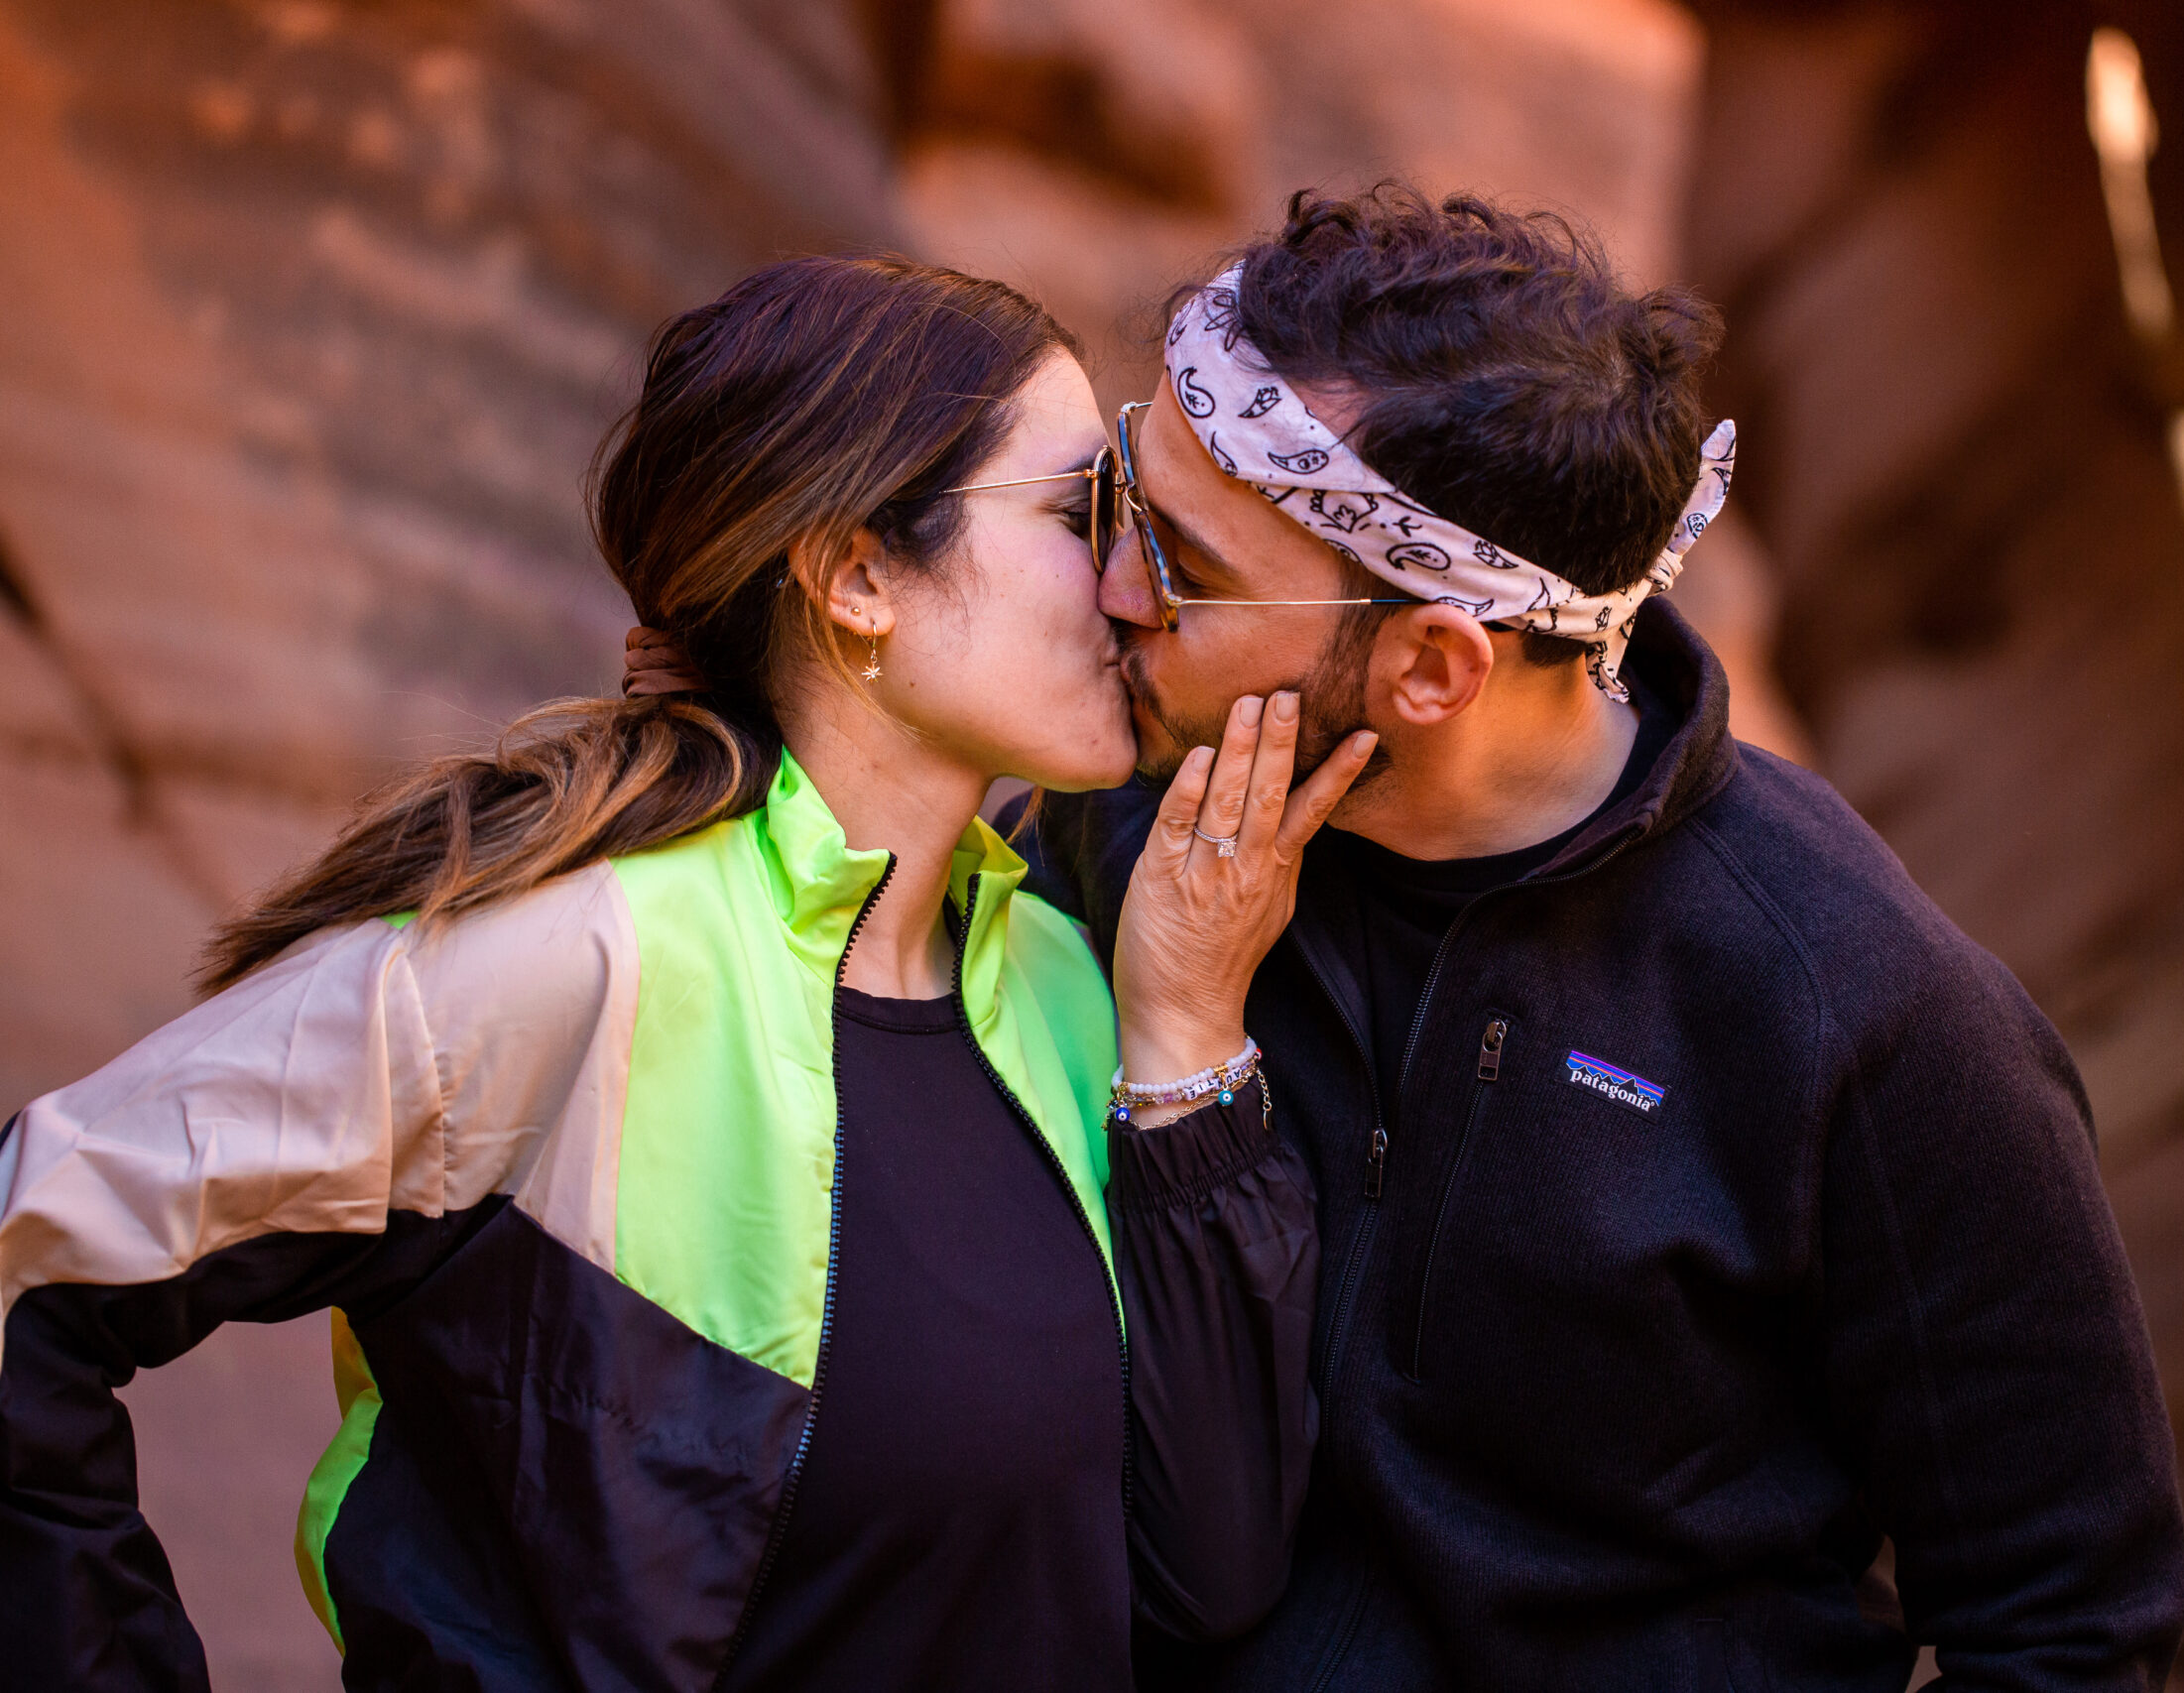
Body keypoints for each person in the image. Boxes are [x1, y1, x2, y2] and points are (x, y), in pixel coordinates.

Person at [0, 255, 1376, 1692]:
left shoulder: (1072, 980)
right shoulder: (559, 967)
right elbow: (30, 1252)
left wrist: (1185, 1034)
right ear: (856, 577)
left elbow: (1208, 1580)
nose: (1127, 581)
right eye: (1081, 512)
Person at [1000, 187, 2184, 1691]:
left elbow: (2069, 1624)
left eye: (1183, 569)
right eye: (1117, 499)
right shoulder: (1109, 832)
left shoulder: (1859, 1010)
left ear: (1434, 667)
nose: (1106, 593)